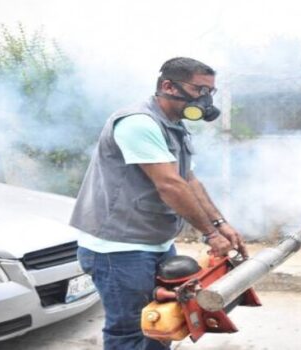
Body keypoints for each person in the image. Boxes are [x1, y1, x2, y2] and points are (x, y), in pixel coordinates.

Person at [70, 57, 247, 350]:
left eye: (210, 92)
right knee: (130, 331)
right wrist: (211, 235)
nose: (205, 99)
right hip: (118, 248)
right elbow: (170, 185)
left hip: (153, 242)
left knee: (164, 323)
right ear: (168, 86)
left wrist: (221, 224)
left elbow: (188, 180)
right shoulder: (137, 123)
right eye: (199, 89)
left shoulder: (172, 125)